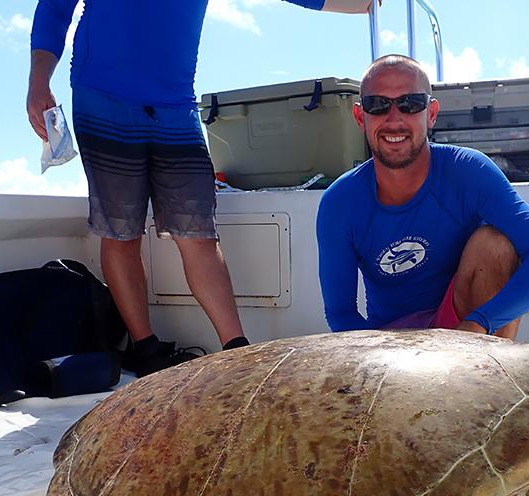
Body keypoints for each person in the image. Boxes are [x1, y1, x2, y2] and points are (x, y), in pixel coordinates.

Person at [27, 0, 376, 376]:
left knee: (199, 233)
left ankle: (236, 350)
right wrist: (38, 81)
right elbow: (54, 9)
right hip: (101, 99)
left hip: (176, 107)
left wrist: (359, 3)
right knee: (120, 230)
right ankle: (145, 348)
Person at [316, 55, 529, 339]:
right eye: (378, 105)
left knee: (495, 243)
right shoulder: (339, 202)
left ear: (431, 113)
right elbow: (340, 313)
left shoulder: (469, 171)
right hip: (388, 341)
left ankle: (487, 371)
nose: (394, 119)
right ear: (361, 117)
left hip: (464, 328)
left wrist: (479, 323)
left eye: (410, 104)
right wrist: (377, 355)